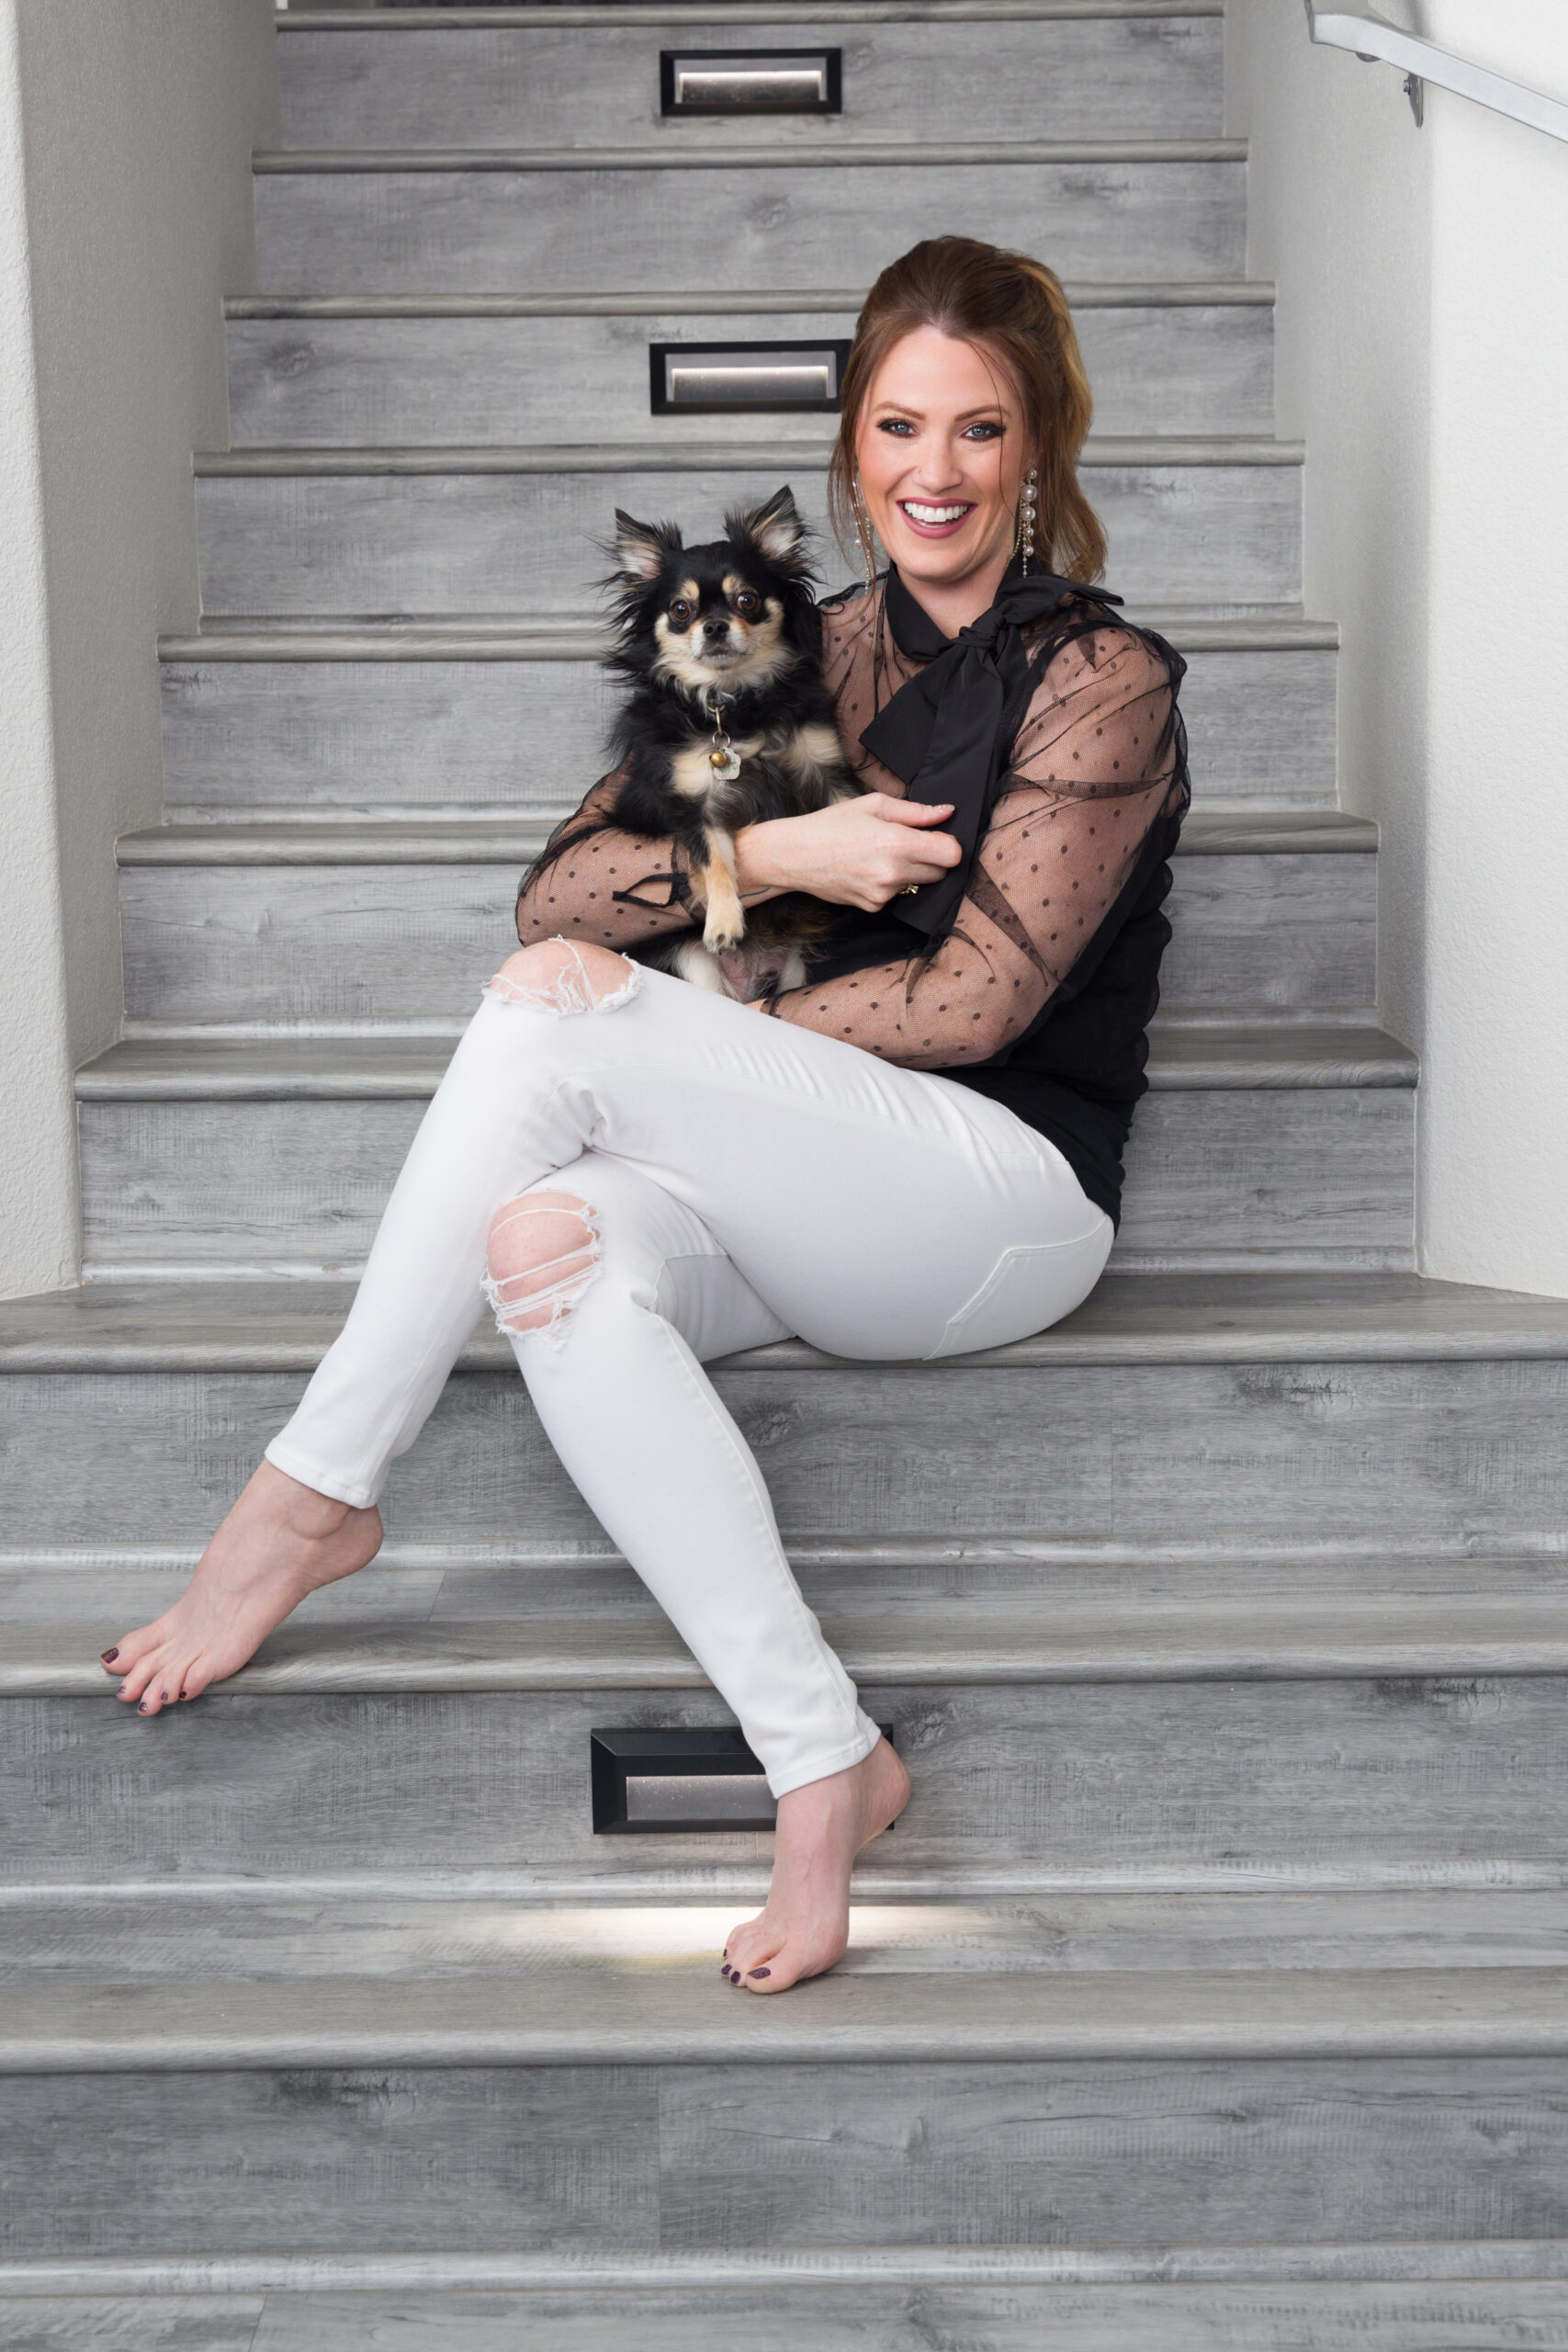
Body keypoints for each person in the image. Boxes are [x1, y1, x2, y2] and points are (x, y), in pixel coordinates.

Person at [99, 235, 1189, 1995]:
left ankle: (312, 1494)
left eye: (978, 433)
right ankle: (825, 1760)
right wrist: (769, 852)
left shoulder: (1099, 677)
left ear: (1036, 451)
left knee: (562, 1034)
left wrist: (682, 1012)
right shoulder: (793, 642)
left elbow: (981, 1002)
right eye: (898, 427)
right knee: (544, 1247)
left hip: (1000, 1196)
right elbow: (557, 894)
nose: (934, 472)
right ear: (850, 446)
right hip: (811, 1203)